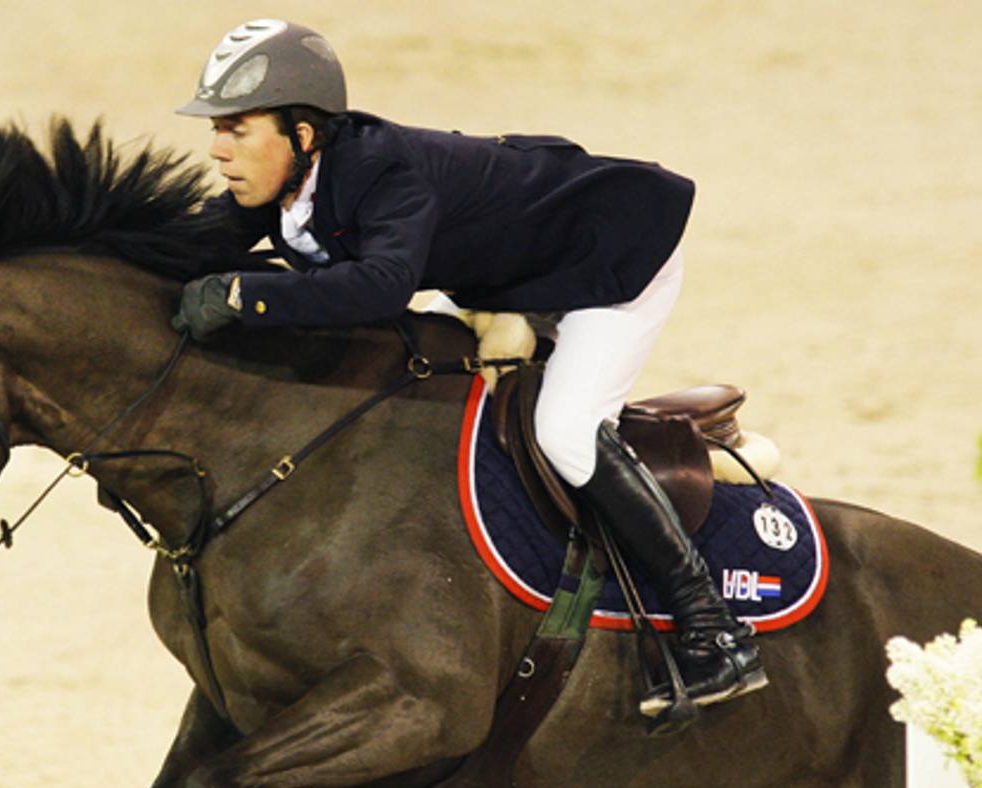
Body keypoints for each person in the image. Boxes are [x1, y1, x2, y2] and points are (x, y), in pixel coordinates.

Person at [171, 18, 766, 718]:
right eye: (217, 129)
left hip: (611, 258)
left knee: (567, 432)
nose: (217, 149)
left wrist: (243, 295)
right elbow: (193, 241)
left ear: (302, 134)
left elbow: (381, 287)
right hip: (514, 273)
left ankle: (714, 629)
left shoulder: (381, 171)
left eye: (236, 129)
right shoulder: (284, 183)